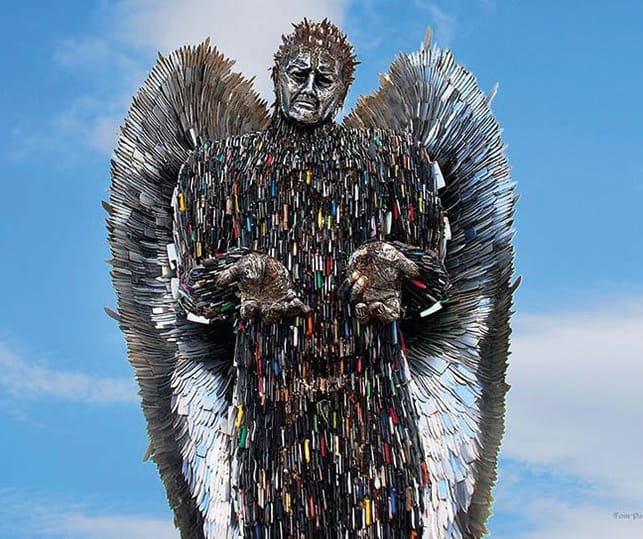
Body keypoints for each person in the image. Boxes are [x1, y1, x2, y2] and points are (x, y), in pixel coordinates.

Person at [172, 19, 449, 538]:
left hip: (371, 398)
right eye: (298, 75)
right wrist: (240, 274)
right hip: (272, 403)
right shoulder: (219, 169)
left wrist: (396, 264)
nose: (308, 89)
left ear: (342, 91)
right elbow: (189, 289)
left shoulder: (394, 163)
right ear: (276, 75)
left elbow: (436, 277)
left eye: (324, 80)